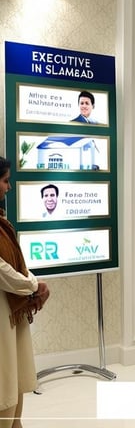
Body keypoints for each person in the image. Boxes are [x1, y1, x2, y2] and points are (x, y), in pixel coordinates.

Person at [0, 157, 49, 427]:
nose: (8, 188)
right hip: (2, 315)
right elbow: (3, 271)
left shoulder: (2, 223)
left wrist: (31, 282)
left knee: (15, 378)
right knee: (4, 381)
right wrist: (32, 286)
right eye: (5, 181)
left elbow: (16, 264)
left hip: (12, 312)